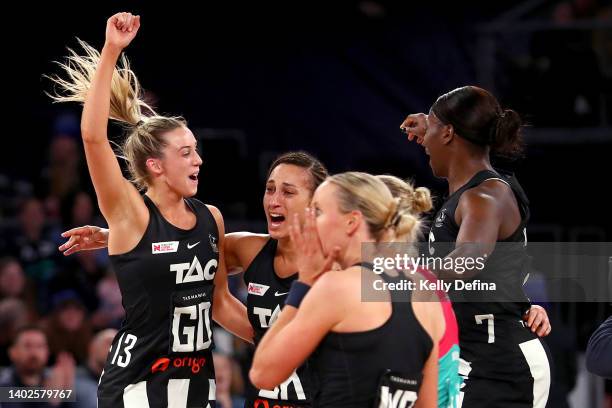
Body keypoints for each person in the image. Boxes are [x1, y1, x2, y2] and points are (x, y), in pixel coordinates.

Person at [47, 12, 252, 407]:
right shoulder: (131, 214)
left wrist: (285, 345)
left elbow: (222, 303)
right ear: (155, 166)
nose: (198, 161)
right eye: (186, 153)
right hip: (138, 385)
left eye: (197, 151)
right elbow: (92, 138)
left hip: (197, 383)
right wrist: (111, 51)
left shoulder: (212, 217)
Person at [59, 151, 328, 408]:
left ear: (316, 204)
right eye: (270, 189)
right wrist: (120, 236)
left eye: (288, 192)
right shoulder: (249, 248)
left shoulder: (340, 261)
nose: (274, 201)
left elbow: (373, 289)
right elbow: (185, 251)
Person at [400, 85, 551, 407]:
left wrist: (397, 274)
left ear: (449, 133)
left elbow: (468, 259)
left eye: (434, 130)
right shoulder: (471, 193)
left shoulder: (484, 197)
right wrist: (432, 124)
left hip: (502, 366)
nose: (424, 143)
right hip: (469, 356)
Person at [250, 172, 443, 407]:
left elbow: (263, 373)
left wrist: (304, 284)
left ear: (351, 221)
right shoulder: (426, 292)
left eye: (318, 212)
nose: (309, 222)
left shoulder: (336, 288)